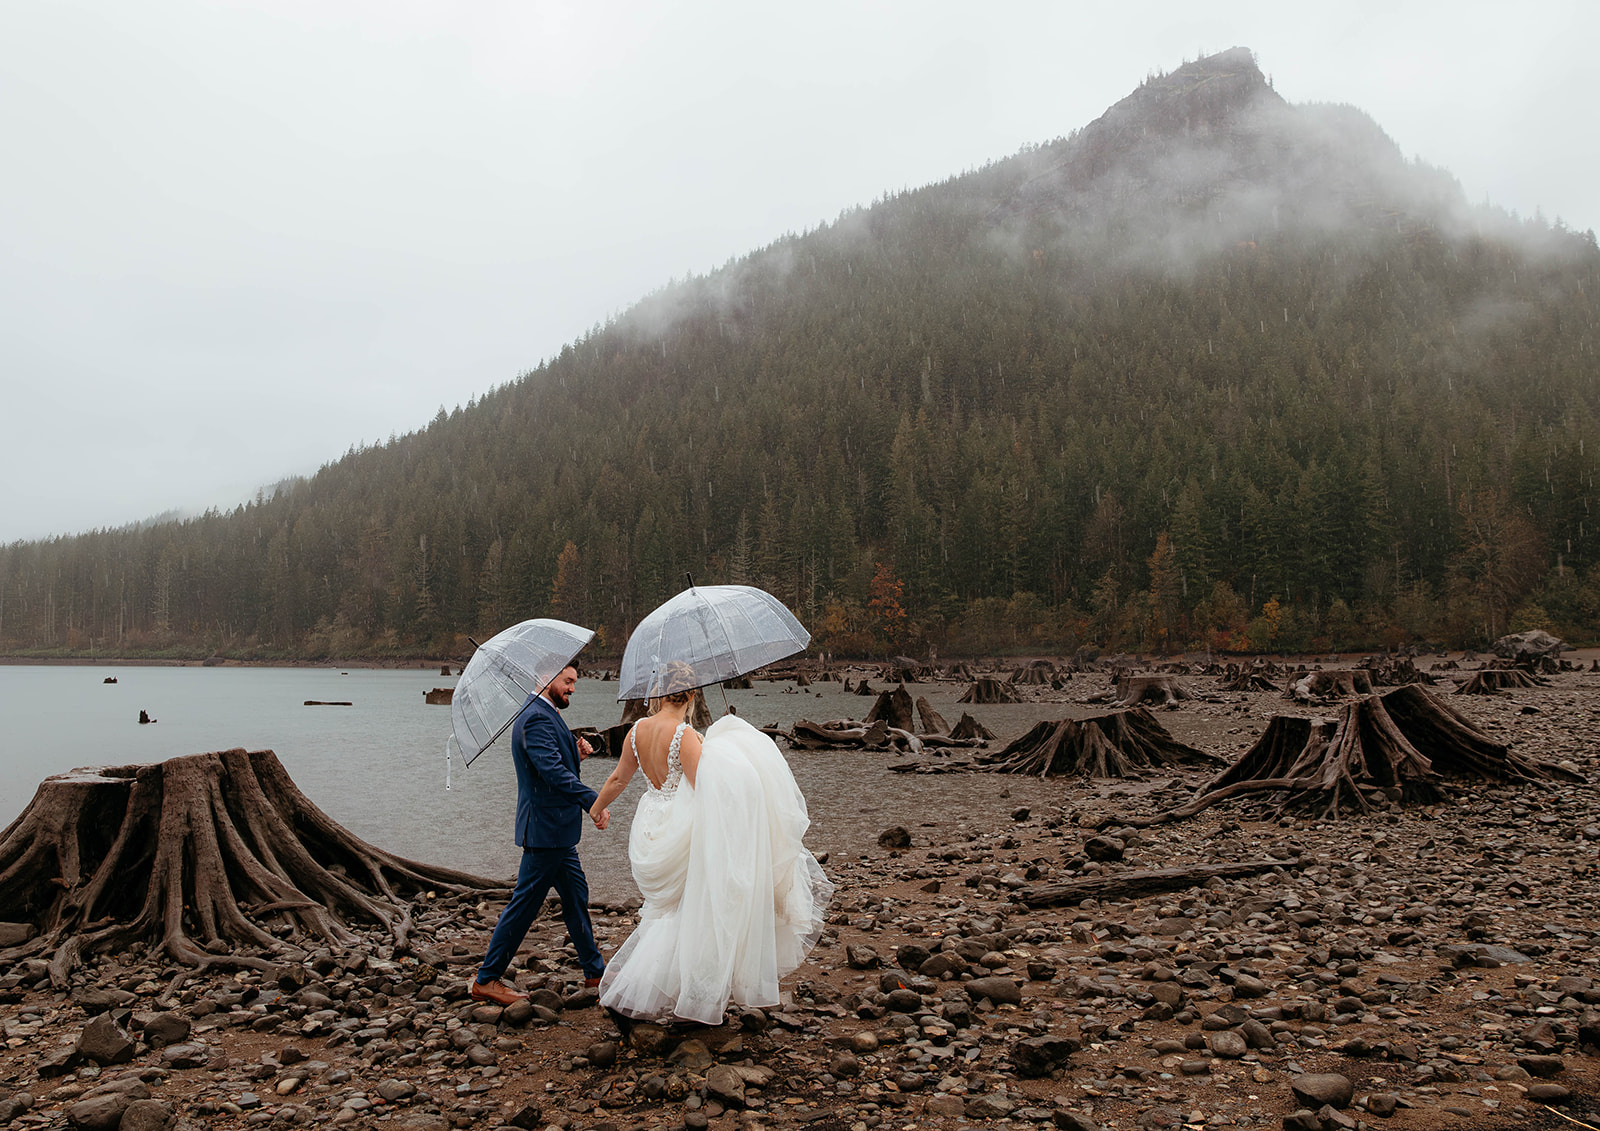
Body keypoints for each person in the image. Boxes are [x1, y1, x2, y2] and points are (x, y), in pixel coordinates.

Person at [588, 662, 833, 1024]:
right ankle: (689, 993)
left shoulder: (635, 731)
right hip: (682, 825)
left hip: (652, 824)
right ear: (690, 695)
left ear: (658, 694)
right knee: (694, 909)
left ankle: (648, 987)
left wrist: (596, 810)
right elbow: (704, 788)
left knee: (665, 911)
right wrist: (728, 760)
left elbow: (617, 779)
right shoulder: (683, 735)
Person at [472, 664, 607, 1006]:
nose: (572, 688)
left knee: (577, 898)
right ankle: (486, 980)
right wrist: (594, 801)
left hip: (557, 832)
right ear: (546, 678)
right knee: (524, 907)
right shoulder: (534, 717)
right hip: (544, 831)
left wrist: (575, 754)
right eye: (567, 681)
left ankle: (595, 974)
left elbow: (553, 765)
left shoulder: (544, 712)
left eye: (574, 681)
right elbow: (550, 772)